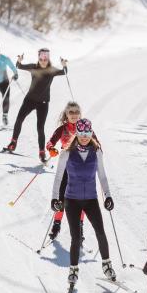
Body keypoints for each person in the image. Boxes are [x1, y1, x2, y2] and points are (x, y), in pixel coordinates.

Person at [51, 118, 115, 288]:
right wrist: (54, 198)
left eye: (88, 133)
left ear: (91, 133)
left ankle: (107, 264)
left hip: (91, 200)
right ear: (77, 133)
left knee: (100, 232)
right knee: (76, 237)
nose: (85, 137)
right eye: (82, 133)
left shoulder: (97, 151)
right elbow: (58, 178)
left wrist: (108, 196)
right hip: (71, 199)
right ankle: (73, 270)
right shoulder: (66, 153)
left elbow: (102, 175)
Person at [45, 101, 100, 241]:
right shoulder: (62, 129)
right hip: (66, 168)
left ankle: (80, 227)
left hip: (82, 169)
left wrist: (98, 150)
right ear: (66, 114)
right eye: (71, 112)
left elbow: (97, 143)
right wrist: (51, 149)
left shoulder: (85, 128)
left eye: (76, 112)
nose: (74, 115)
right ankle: (56, 224)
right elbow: (50, 142)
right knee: (62, 197)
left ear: (80, 114)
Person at [3, 47, 68, 162]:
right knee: (19, 120)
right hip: (29, 100)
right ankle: (13, 143)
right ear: (38, 58)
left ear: (48, 59)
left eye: (45, 58)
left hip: (43, 103)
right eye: (41, 58)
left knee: (40, 127)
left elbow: (64, 72)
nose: (43, 60)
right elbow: (19, 66)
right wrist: (19, 60)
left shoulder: (51, 70)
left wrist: (64, 65)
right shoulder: (33, 67)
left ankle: (41, 152)